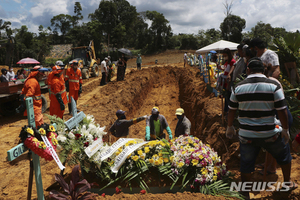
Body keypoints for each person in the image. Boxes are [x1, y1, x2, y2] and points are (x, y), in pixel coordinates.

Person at [226, 57, 297, 198]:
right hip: (270, 134)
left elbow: (231, 109)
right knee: (284, 154)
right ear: (264, 70)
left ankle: (245, 192)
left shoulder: (238, 87)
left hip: (247, 135)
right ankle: (287, 183)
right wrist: (285, 130)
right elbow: (282, 109)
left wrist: (229, 127)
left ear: (248, 70)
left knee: (246, 163)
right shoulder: (273, 85)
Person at [217, 48, 236, 115]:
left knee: (228, 98)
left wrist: (228, 83)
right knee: (226, 98)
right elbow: (226, 70)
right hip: (224, 83)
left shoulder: (232, 62)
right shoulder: (227, 61)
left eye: (225, 55)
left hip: (228, 83)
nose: (224, 57)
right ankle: (225, 112)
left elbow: (230, 73)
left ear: (229, 54)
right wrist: (221, 68)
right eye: (223, 56)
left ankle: (228, 113)